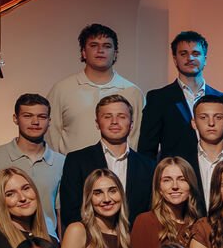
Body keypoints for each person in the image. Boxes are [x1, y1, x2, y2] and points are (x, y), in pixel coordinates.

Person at [56, 93, 153, 237]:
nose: (114, 121)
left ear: (131, 124)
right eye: (107, 117)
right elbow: (70, 210)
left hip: (135, 243)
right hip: (92, 245)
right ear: (97, 123)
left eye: (121, 116)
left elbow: (149, 211)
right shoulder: (76, 160)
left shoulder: (148, 165)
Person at [0, 93, 65, 239]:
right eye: (27, 116)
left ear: (49, 121)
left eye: (42, 117)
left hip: (46, 243)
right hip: (4, 244)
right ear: (16, 119)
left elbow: (61, 214)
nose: (35, 122)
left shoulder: (61, 162)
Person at [46, 22, 141, 154]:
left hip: (119, 171)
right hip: (73, 170)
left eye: (107, 46)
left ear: (115, 54)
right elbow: (51, 135)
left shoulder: (132, 91)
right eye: (94, 45)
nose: (100, 51)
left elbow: (136, 137)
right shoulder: (62, 89)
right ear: (84, 52)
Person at [139, 30, 221, 163]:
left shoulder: (222, 99)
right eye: (184, 54)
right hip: (176, 177)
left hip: (214, 175)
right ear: (175, 59)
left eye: (196, 53)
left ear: (205, 59)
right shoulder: (158, 99)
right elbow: (147, 150)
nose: (190, 58)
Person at [129, 157, 203, 248]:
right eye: (167, 180)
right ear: (159, 188)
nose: (175, 186)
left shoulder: (198, 225)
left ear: (191, 185)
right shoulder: (145, 222)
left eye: (182, 179)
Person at [59, 168, 133, 248]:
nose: (107, 199)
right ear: (89, 199)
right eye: (98, 193)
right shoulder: (77, 231)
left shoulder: (127, 236)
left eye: (113, 191)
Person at [186, 92, 223, 210]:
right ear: (194, 123)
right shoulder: (183, 163)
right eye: (203, 117)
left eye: (218, 117)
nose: (211, 123)